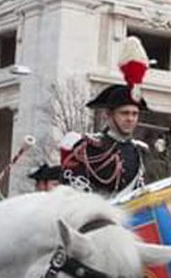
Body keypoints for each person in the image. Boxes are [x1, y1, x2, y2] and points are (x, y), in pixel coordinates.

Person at [64, 36, 150, 196]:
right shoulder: (88, 147)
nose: (130, 118)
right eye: (124, 113)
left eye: (135, 114)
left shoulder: (139, 151)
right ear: (108, 115)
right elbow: (73, 191)